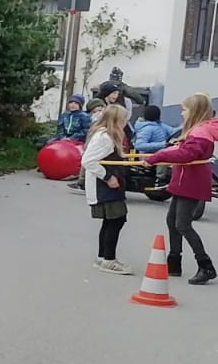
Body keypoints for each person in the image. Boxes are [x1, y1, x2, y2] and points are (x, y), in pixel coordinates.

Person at [141, 93, 217, 284]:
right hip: (184, 180)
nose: (182, 113)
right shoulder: (196, 130)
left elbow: (186, 155)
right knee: (172, 220)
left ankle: (205, 265)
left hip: (192, 182)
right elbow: (179, 150)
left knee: (183, 224)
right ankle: (175, 261)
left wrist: (156, 157)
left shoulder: (201, 133)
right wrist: (158, 154)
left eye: (185, 110)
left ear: (195, 111)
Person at [80, 104, 133, 276]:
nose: (126, 123)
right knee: (116, 219)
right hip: (103, 186)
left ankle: (103, 257)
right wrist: (107, 177)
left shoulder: (109, 135)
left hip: (108, 184)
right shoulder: (104, 137)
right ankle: (108, 259)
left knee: (111, 221)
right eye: (123, 119)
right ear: (115, 120)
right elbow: (88, 161)